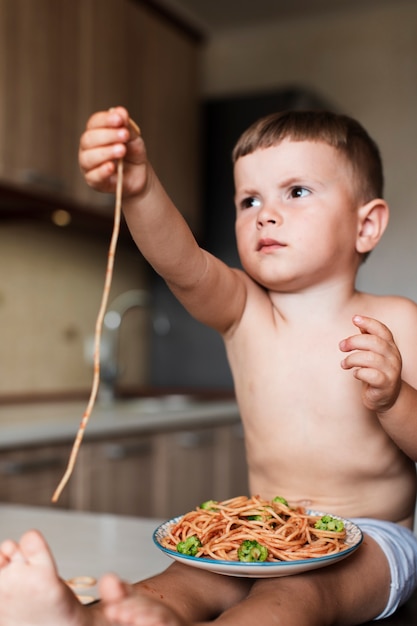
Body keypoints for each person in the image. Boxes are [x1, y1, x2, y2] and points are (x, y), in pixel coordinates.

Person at [1, 108, 417, 626]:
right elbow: (182, 262)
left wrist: (394, 397)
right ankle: (88, 619)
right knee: (179, 579)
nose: (265, 213)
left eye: (297, 191)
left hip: (374, 539)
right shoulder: (245, 310)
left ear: (367, 224)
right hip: (261, 527)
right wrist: (138, 187)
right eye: (249, 200)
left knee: (296, 598)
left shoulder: (399, 321)